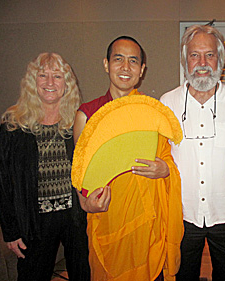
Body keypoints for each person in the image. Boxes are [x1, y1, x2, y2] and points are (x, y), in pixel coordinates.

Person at [73, 36, 183, 281]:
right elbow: (80, 176)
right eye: (118, 59)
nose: (125, 67)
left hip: (148, 228)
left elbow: (169, 161)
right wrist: (85, 202)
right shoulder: (87, 115)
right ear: (106, 64)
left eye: (133, 61)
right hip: (108, 221)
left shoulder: (153, 113)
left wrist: (165, 169)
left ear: (142, 70)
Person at [160, 25, 225, 281]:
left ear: (220, 60)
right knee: (183, 275)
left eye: (209, 55)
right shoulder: (167, 103)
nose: (202, 63)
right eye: (194, 55)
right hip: (183, 214)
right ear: (184, 60)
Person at [0, 53, 90, 281]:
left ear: (66, 83)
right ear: (32, 81)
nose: (49, 82)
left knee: (84, 274)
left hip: (74, 217)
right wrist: (11, 231)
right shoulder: (13, 123)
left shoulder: (77, 121)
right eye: (42, 75)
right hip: (35, 221)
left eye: (57, 76)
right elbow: (3, 180)